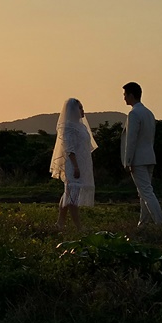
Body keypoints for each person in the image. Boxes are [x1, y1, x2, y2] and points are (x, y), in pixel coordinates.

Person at [121, 81, 162, 225]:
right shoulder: (148, 113)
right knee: (143, 193)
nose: (124, 98)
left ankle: (160, 223)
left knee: (146, 192)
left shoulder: (134, 114)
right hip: (149, 156)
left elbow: (131, 139)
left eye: (125, 95)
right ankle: (143, 223)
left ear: (131, 95)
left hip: (138, 159)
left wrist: (128, 161)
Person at [50, 97, 97, 230]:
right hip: (73, 164)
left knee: (68, 193)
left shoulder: (81, 126)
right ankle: (78, 226)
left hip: (82, 163)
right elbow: (69, 149)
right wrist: (76, 166)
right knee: (72, 195)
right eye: (80, 108)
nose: (83, 110)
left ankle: (60, 222)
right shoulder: (68, 127)